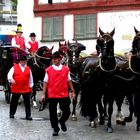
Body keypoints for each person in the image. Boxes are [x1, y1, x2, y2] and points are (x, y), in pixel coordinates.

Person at [40, 51, 76, 136]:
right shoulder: (49, 70)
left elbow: (69, 80)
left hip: (63, 94)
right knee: (52, 113)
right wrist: (43, 94)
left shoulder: (66, 69)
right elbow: (45, 82)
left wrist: (72, 91)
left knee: (67, 112)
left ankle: (62, 121)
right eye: (53, 59)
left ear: (59, 59)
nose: (54, 60)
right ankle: (55, 128)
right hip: (52, 94)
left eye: (55, 59)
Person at [7, 55, 34, 120]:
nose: (23, 62)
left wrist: (31, 86)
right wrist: (11, 79)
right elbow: (9, 75)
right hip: (16, 88)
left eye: (24, 61)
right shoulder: (14, 67)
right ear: (19, 61)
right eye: (22, 61)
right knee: (14, 102)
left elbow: (31, 79)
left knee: (27, 103)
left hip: (26, 88)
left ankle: (28, 115)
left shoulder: (28, 68)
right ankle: (11, 114)